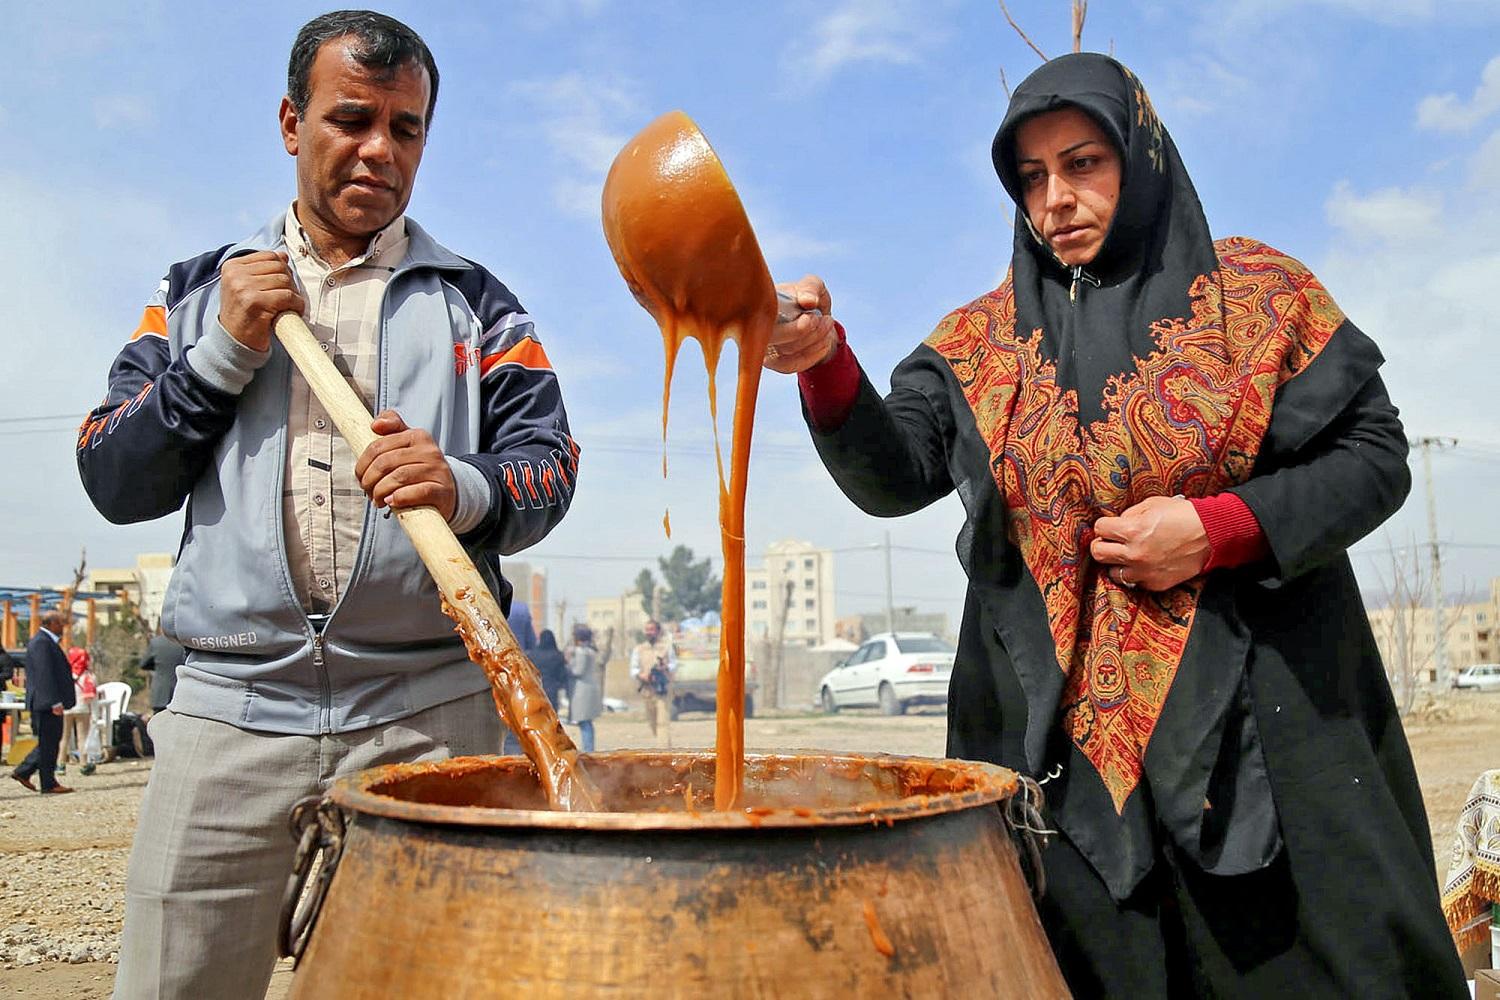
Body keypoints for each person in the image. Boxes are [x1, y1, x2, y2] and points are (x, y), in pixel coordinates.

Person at [767, 53, 1464, 998]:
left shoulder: (1259, 299)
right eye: (1031, 178)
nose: (1054, 198)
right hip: (1053, 763)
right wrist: (824, 363)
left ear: (1142, 157)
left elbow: (1373, 457)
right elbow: (893, 475)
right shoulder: (979, 342)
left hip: (1266, 729)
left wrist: (1217, 528)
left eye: (1084, 163)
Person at [75, 12, 578, 998]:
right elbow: (111, 474)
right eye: (351, 119)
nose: (379, 149)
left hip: (426, 716)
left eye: (406, 128)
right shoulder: (192, 298)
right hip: (227, 714)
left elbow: (549, 466)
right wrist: (223, 353)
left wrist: (463, 483)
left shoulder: (480, 306)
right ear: (289, 122)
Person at [9, 611, 75, 795]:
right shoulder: (41, 643)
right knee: (48, 742)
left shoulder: (45, 642)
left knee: (49, 742)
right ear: (52, 623)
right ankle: (45, 781)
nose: (63, 626)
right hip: (46, 703)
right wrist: (54, 702)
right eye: (61, 622)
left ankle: (27, 773)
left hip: (46, 702)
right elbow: (44, 675)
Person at [565, 624, 612, 753]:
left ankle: (588, 750)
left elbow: (577, 671)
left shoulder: (580, 652)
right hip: (589, 688)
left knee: (584, 722)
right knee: (586, 722)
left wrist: (567, 663)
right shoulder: (590, 650)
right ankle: (589, 748)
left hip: (582, 690)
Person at [628, 619, 675, 747]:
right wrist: (641, 675)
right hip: (647, 690)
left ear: (658, 631)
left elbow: (673, 665)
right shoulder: (639, 649)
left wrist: (665, 667)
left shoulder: (666, 647)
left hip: (663, 690)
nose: (649, 632)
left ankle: (663, 753)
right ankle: (667, 750)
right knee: (653, 723)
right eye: (647, 630)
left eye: (652, 629)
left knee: (662, 722)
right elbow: (633, 669)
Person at [57, 646, 97, 776]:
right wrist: (94, 713)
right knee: (82, 737)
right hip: (82, 708)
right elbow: (93, 697)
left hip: (67, 708)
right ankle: (84, 764)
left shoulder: (64, 673)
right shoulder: (88, 676)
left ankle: (60, 764)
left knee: (64, 737)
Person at [137, 629, 186, 714]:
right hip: (180, 692)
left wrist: (157, 666)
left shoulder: (156, 643)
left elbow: (143, 664)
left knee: (158, 724)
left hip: (160, 693)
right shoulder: (184, 644)